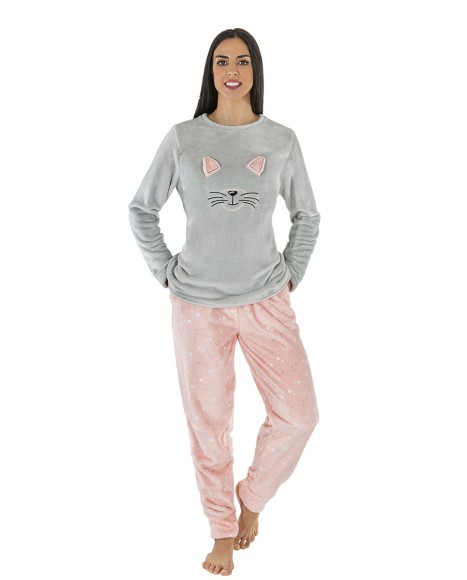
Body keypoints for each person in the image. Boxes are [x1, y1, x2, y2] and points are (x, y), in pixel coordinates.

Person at [128, 27, 321, 576]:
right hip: (197, 306)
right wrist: (165, 271)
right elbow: (142, 209)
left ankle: (251, 498)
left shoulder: (280, 140)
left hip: (266, 301)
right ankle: (220, 530)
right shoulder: (184, 139)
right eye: (221, 62)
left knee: (299, 416)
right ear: (210, 72)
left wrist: (291, 274)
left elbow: (307, 215)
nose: (231, 70)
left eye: (241, 61)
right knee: (209, 425)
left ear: (255, 70)